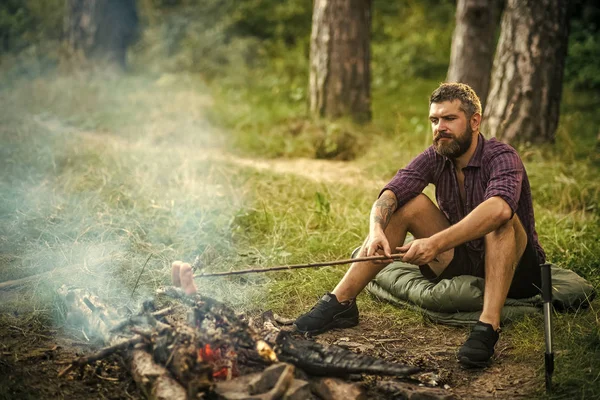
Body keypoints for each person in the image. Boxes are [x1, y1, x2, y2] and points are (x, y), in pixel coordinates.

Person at [294, 82, 545, 367]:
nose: (440, 127)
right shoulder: (437, 154)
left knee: (501, 219)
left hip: (517, 272)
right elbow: (392, 192)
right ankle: (341, 302)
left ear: (475, 121)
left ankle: (488, 326)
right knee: (409, 203)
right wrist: (375, 231)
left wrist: (434, 244)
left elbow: (499, 209)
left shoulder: (501, 155)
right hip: (464, 259)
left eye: (450, 119)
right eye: (434, 120)